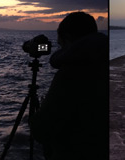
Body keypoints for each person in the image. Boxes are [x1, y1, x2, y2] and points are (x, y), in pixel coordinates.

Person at [30, 11, 109, 158]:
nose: (60, 49)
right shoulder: (104, 61)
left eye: (61, 45)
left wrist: (36, 117)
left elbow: (42, 130)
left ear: (67, 38)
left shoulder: (72, 72)